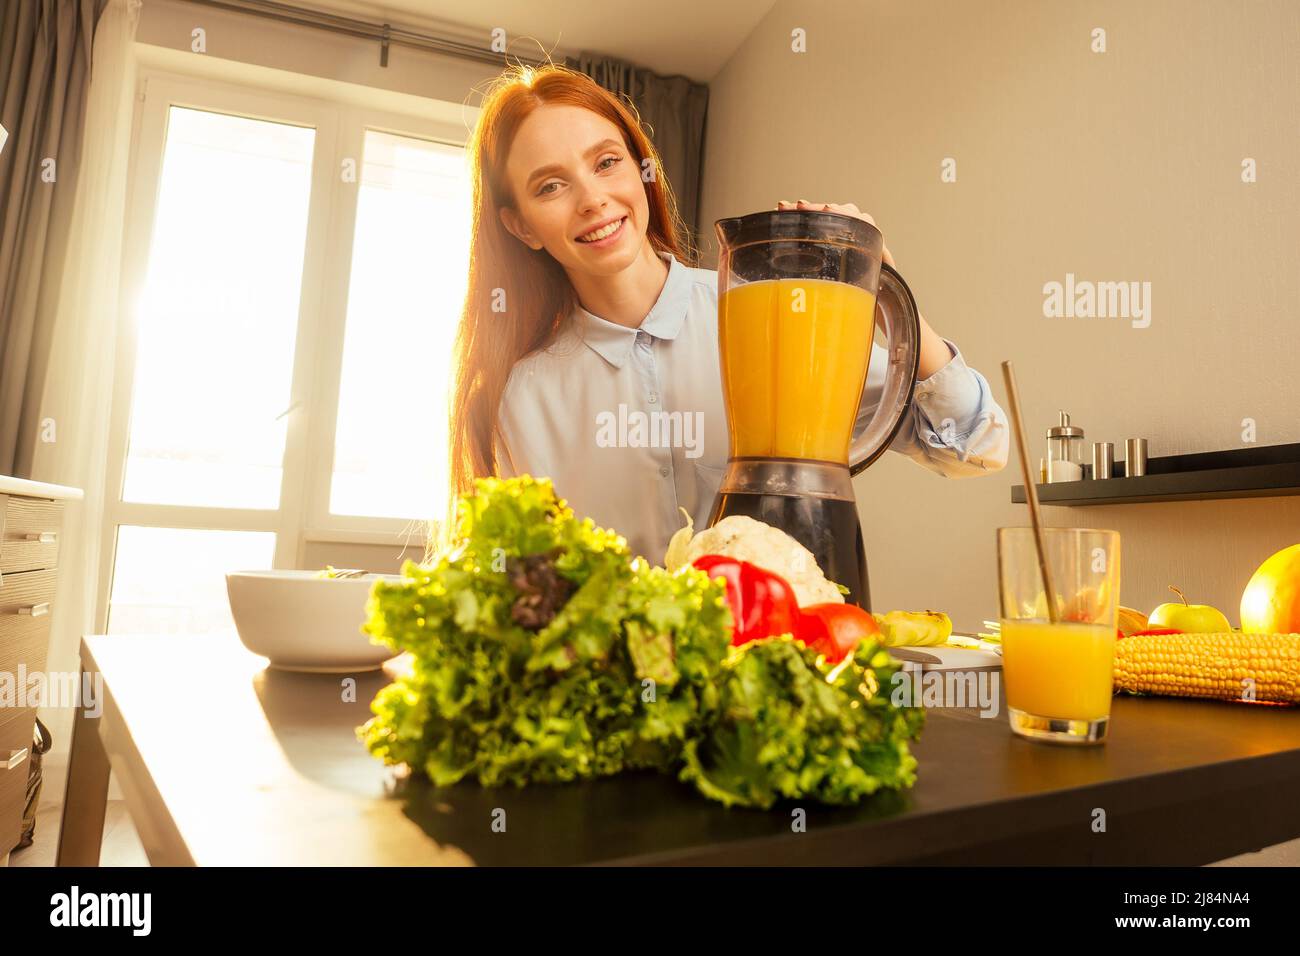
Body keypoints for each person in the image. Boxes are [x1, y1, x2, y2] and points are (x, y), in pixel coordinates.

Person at [446, 64, 1009, 561]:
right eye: (550, 186)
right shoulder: (519, 397)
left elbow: (976, 444)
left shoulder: (772, 316)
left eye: (607, 162)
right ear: (520, 226)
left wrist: (880, 288)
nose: (591, 198)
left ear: (643, 170)